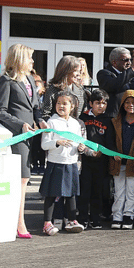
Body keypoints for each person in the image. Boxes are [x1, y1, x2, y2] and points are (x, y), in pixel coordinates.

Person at [0, 44, 47, 238]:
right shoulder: (6, 81)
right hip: (16, 135)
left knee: (23, 178)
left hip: (30, 135)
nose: (33, 62)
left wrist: (40, 119)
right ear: (19, 59)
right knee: (22, 179)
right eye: (30, 58)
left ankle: (17, 222)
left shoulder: (30, 80)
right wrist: (21, 125)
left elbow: (35, 107)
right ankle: (19, 223)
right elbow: (0, 111)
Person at [40, 91, 91, 235]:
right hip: (55, 162)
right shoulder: (52, 122)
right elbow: (44, 144)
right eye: (58, 103)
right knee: (51, 194)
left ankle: (72, 221)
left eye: (65, 103)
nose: (61, 106)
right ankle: (47, 223)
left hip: (72, 163)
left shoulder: (76, 123)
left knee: (71, 194)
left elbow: (80, 143)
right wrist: (57, 142)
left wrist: (81, 148)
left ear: (73, 106)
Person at [109, 90, 134, 230]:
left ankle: (128, 216)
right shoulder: (115, 122)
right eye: (127, 102)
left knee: (132, 192)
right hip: (118, 162)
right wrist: (113, 153)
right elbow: (110, 141)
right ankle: (117, 216)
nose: (130, 105)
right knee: (118, 191)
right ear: (122, 104)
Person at [78, 89, 114, 229]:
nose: (101, 106)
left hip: (101, 161)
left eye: (104, 103)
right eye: (98, 103)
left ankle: (95, 218)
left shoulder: (108, 120)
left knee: (98, 191)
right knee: (84, 190)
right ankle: (82, 218)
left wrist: (104, 152)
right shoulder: (83, 118)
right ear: (90, 103)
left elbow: (109, 140)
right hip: (85, 161)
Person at [41, 55, 88, 121]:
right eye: (75, 71)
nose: (78, 74)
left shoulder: (80, 89)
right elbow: (45, 114)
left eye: (79, 71)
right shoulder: (53, 89)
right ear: (65, 71)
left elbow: (84, 113)